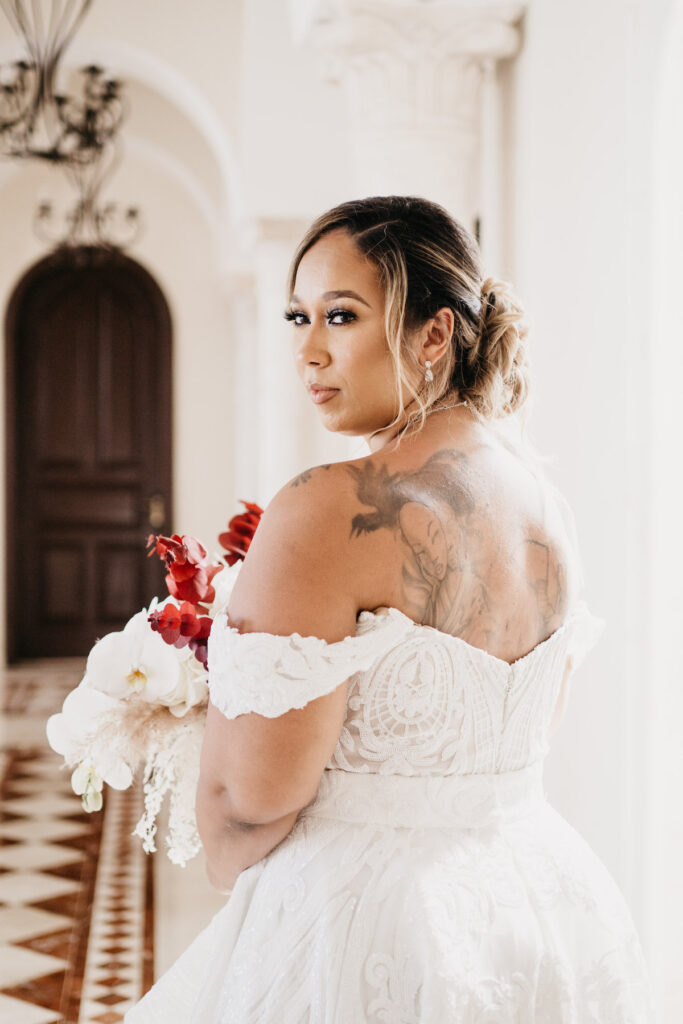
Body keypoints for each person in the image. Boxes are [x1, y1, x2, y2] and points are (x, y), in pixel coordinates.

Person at [125, 196, 655, 1022]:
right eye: (298, 316)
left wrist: (230, 857)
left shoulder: (329, 506)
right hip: (537, 901)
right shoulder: (546, 505)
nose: (308, 350)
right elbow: (515, 739)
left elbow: (249, 798)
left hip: (366, 928)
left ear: (433, 334)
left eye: (342, 315)